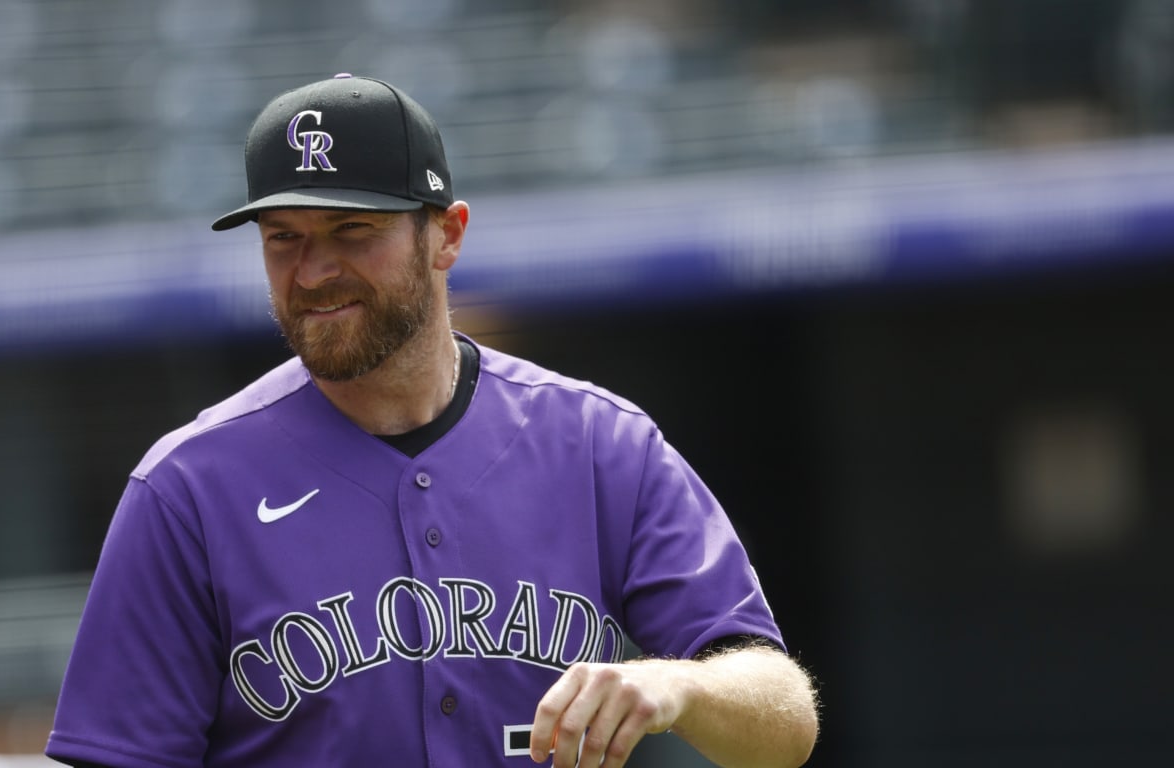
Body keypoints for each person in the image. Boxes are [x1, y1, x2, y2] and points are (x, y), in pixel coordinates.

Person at [45, 74, 818, 768]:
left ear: (446, 234)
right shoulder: (187, 488)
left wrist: (675, 685)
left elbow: (782, 723)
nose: (312, 272)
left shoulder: (598, 444)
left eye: (352, 231)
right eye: (285, 238)